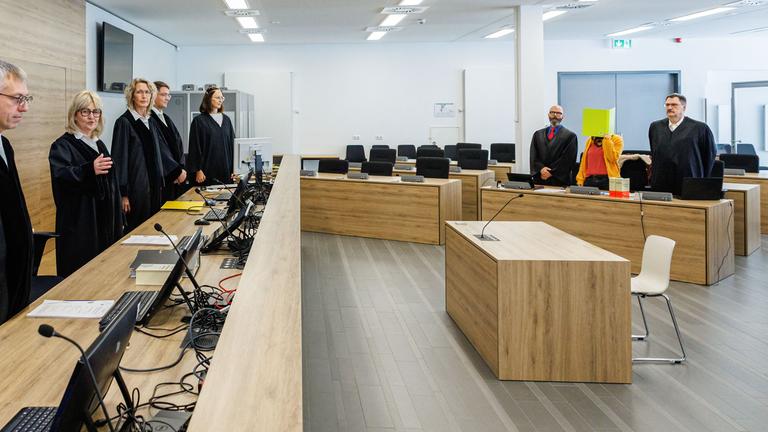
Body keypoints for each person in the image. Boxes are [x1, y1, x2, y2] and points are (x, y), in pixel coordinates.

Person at [48, 91, 124, 278]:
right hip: (81, 222)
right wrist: (89, 170)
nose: (92, 117)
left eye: (96, 112)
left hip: (104, 220)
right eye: (85, 112)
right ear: (74, 114)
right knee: (82, 275)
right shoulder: (62, 145)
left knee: (104, 271)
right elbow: (62, 177)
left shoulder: (98, 144)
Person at [111, 78, 182, 232]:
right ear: (132, 96)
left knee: (153, 228)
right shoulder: (124, 122)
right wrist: (122, 194)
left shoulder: (151, 122)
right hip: (136, 190)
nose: (143, 96)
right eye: (139, 92)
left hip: (154, 188)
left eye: (147, 92)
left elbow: (159, 155)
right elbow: (119, 160)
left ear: (151, 96)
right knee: (138, 231)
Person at [0, 60, 33, 323]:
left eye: (26, 98)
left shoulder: (5, 145)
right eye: (17, 98)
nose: (24, 107)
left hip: (15, 281)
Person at [649, 93, 716, 195]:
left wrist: (701, 178)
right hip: (661, 182)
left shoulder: (700, 128)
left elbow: (709, 155)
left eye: (674, 105)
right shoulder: (656, 127)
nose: (670, 108)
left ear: (684, 107)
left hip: (689, 180)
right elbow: (654, 151)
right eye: (667, 105)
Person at [187, 86, 235, 186]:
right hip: (207, 171)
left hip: (226, 170)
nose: (220, 100)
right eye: (217, 97)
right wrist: (198, 170)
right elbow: (194, 147)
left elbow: (233, 145)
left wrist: (234, 169)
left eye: (222, 97)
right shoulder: (199, 121)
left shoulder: (226, 120)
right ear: (208, 99)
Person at [151, 81, 187, 200]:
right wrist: (176, 172)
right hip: (165, 178)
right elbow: (161, 150)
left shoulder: (166, 118)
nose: (167, 98)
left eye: (168, 95)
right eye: (163, 95)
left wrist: (182, 168)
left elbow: (178, 144)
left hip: (177, 176)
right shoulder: (150, 119)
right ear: (153, 95)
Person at [530, 105, 578, 186]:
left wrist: (551, 172)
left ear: (563, 116)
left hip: (559, 180)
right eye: (552, 112)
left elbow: (568, 159)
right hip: (540, 178)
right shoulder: (538, 134)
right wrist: (541, 169)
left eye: (558, 113)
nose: (555, 115)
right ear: (548, 115)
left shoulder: (570, 136)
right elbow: (533, 155)